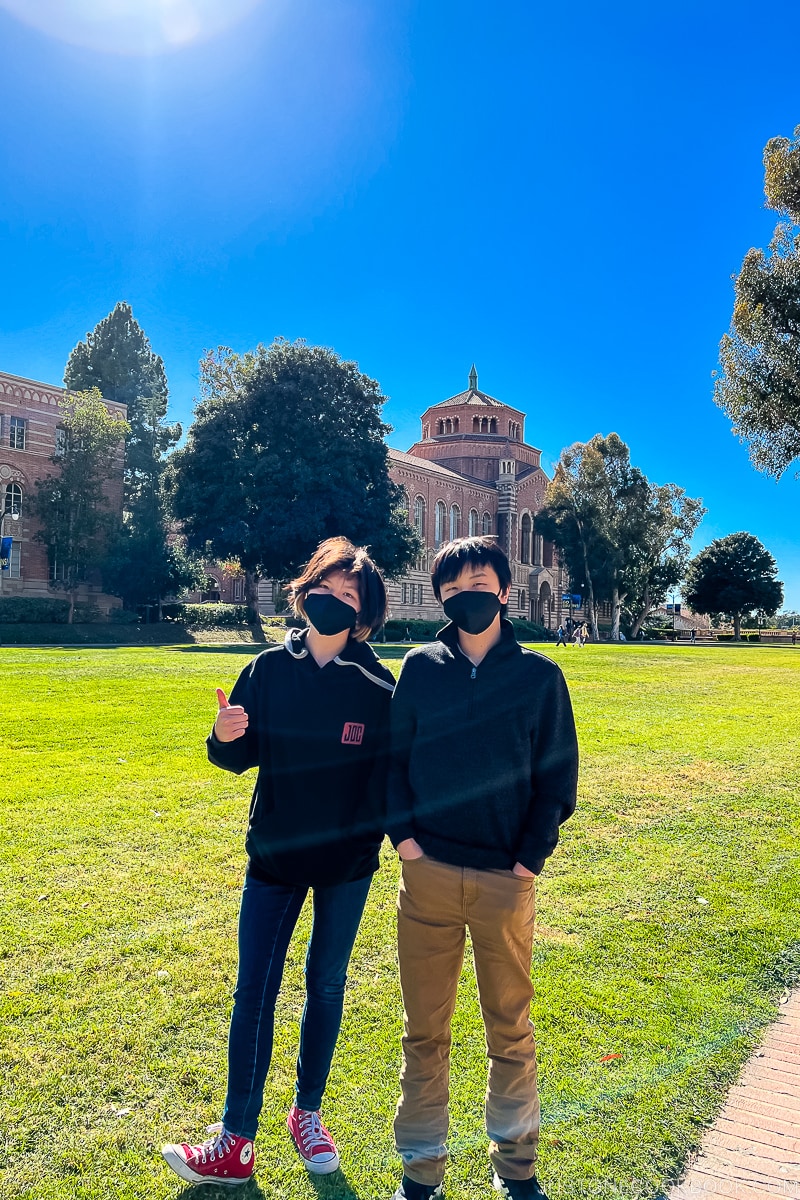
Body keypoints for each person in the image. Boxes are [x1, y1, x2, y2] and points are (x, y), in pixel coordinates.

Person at [162, 537, 395, 1188]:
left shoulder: (379, 686)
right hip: (272, 856)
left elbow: (385, 781)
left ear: (365, 615)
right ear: (305, 590)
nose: (332, 601)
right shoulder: (265, 670)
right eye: (325, 587)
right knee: (253, 993)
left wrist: (378, 842)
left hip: (346, 865)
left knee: (326, 986)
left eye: (348, 596)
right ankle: (236, 1138)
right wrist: (223, 736)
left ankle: (307, 1113)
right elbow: (235, 756)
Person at [385, 536, 579, 1200]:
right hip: (428, 875)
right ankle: (421, 1172)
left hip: (504, 881)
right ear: (442, 596)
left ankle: (517, 1167)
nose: (469, 593)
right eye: (455, 585)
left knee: (510, 1030)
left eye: (481, 582)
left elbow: (557, 781)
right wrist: (406, 842)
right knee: (424, 1034)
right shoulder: (419, 667)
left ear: (504, 590)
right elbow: (392, 763)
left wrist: (528, 860)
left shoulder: (539, 677)